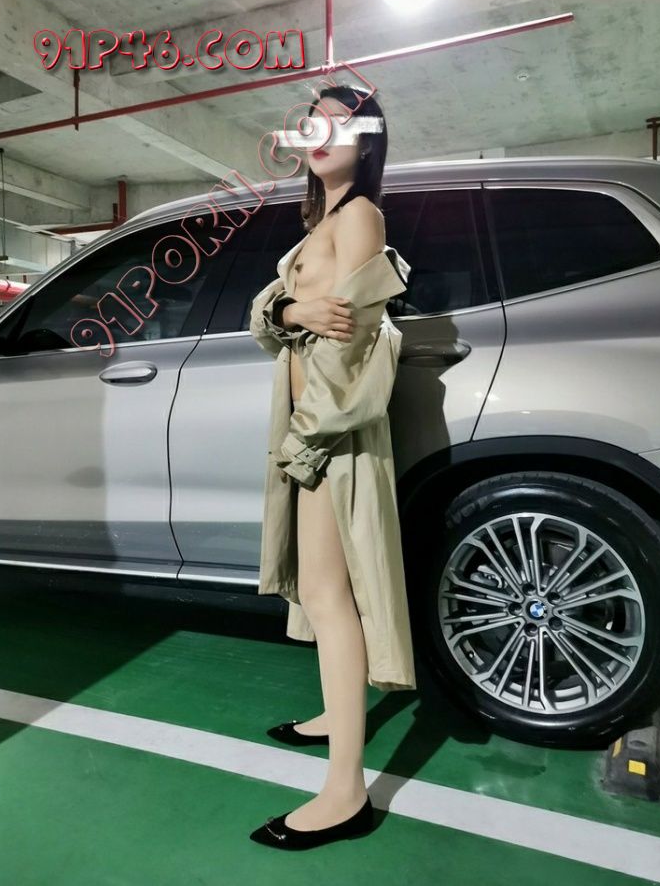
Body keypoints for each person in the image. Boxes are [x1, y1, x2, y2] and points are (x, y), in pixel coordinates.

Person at [248, 84, 416, 851]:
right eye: (312, 122)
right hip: (308, 428)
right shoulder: (322, 220)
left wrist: (308, 440)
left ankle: (347, 790)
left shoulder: (360, 217)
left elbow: (355, 346)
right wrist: (292, 310)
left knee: (327, 592)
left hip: (329, 432)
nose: (319, 133)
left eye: (340, 124)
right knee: (321, 592)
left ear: (368, 140)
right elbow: (270, 316)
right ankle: (335, 715)